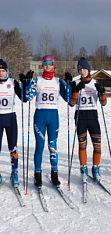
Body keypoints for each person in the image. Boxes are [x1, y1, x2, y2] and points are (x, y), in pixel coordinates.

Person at [24, 55, 71, 187]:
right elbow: (29, 97)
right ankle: (37, 173)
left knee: (53, 147)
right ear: (42, 65)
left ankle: (54, 173)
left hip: (53, 117)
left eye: (50, 64)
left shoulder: (58, 81)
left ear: (54, 65)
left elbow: (68, 98)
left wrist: (69, 84)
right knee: (39, 146)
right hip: (40, 116)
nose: (48, 66)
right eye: (45, 64)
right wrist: (28, 82)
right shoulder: (37, 80)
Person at [69, 57, 107, 182]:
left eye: (84, 69)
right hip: (80, 117)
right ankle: (83, 169)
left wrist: (102, 92)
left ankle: (96, 168)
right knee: (82, 145)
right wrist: (76, 90)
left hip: (93, 116)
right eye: (80, 69)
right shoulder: (75, 83)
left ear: (88, 69)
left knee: (97, 145)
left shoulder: (95, 83)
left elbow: (104, 103)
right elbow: (71, 103)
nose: (82, 71)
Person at [0, 59, 27, 186]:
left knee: (13, 146)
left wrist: (25, 84)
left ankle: (14, 171)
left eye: (3, 71)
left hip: (10, 117)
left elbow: (24, 98)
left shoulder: (12, 82)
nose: (1, 73)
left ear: (7, 71)